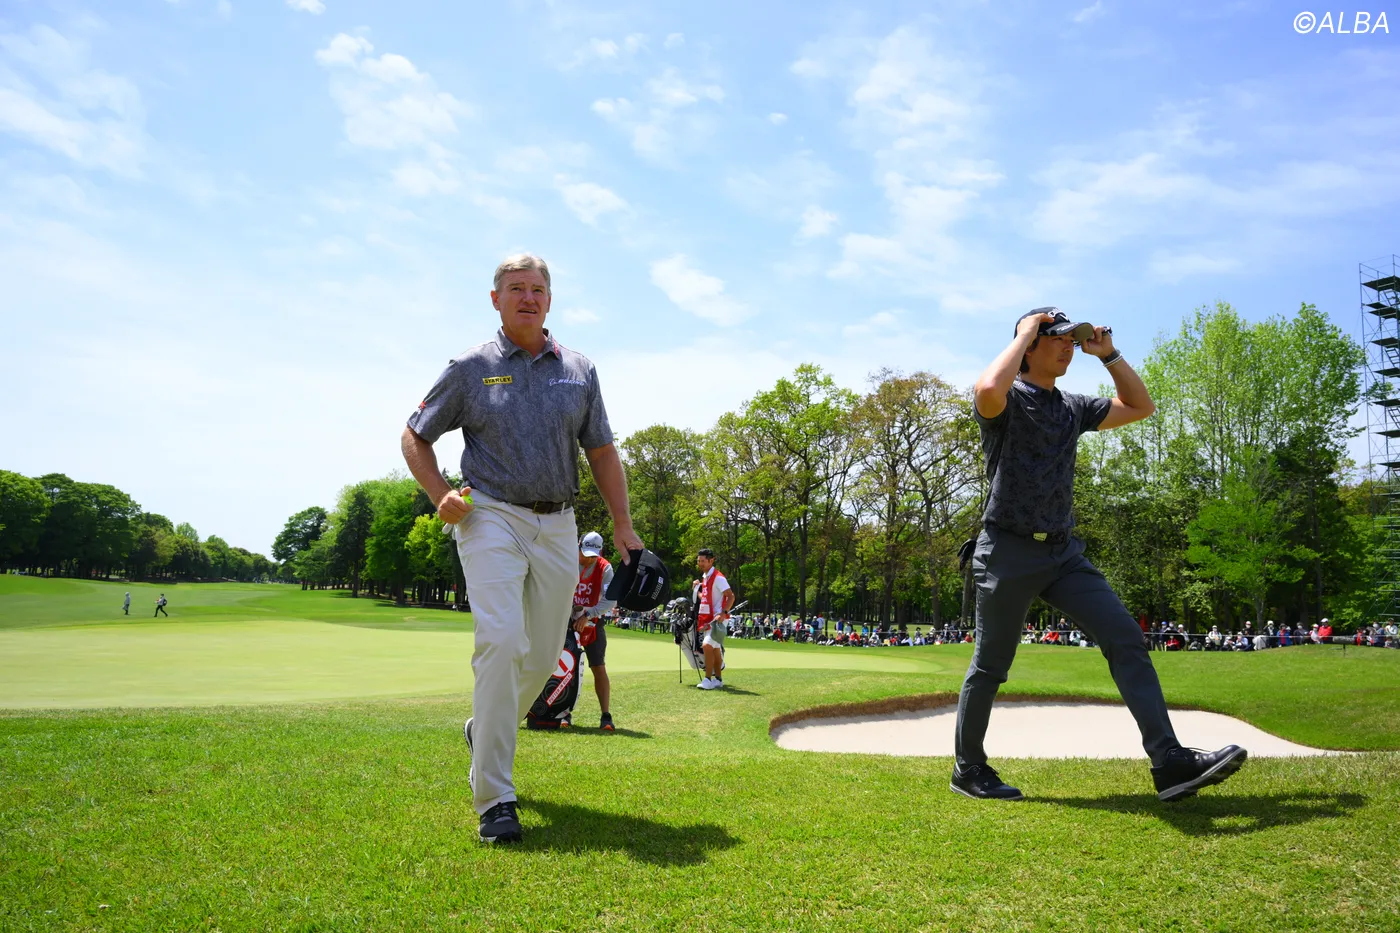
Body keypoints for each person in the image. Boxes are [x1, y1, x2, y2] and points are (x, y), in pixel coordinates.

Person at [952, 307, 1246, 804]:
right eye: (1058, 338)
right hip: (1006, 550)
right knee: (991, 665)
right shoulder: (1009, 398)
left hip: (1063, 554)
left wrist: (1109, 355)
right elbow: (986, 391)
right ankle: (969, 769)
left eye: (1073, 340)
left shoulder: (1073, 406)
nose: (1069, 347)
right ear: (1029, 346)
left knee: (1125, 638)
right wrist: (1024, 331)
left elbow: (1140, 406)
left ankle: (1169, 762)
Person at [400, 253, 642, 844]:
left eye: (537, 289)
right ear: (496, 299)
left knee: (545, 656)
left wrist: (623, 523)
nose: (527, 297)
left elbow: (601, 451)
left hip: (559, 523)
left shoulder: (579, 370)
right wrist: (439, 494)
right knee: (503, 641)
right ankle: (494, 800)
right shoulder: (471, 368)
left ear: (549, 300)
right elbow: (414, 434)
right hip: (490, 516)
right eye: (515, 288)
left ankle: (483, 728)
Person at [572, 530, 617, 731]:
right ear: (579, 545)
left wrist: (588, 615)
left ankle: (606, 716)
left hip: (593, 623)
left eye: (593, 556)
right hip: (566, 621)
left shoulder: (605, 567)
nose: (589, 559)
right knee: (564, 666)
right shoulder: (568, 560)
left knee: (598, 667)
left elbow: (610, 599)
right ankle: (561, 711)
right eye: (585, 554)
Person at [694, 547, 733, 689]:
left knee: (707, 645)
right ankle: (718, 680)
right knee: (715, 648)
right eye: (699, 561)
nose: (700, 564)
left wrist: (723, 612)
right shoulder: (706, 577)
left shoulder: (718, 577)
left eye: (703, 561)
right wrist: (696, 589)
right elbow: (704, 597)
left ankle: (707, 680)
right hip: (709, 619)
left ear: (711, 561)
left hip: (718, 620)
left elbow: (731, 596)